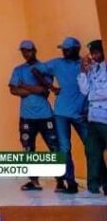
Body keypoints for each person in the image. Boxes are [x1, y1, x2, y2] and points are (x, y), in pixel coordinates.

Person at [8, 40, 60, 191]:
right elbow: (13, 90)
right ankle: (34, 181)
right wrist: (33, 89)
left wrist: (24, 86)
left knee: (54, 148)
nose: (26, 53)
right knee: (28, 149)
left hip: (45, 115)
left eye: (29, 50)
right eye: (23, 51)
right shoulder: (18, 70)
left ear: (35, 50)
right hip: (26, 116)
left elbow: (44, 90)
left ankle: (61, 181)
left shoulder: (44, 68)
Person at [42, 36, 87, 194]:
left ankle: (100, 182)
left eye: (67, 49)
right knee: (64, 149)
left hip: (81, 113)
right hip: (61, 113)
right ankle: (71, 183)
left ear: (76, 49)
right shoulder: (57, 63)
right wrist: (51, 87)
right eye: (63, 49)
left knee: (92, 147)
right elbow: (36, 70)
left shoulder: (84, 64)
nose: (64, 52)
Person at [79, 39, 107, 196]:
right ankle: (93, 187)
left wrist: (93, 95)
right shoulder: (93, 69)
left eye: (96, 52)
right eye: (92, 53)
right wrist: (83, 72)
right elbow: (85, 90)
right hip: (93, 118)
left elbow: (103, 93)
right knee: (92, 152)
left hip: (105, 117)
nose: (94, 56)